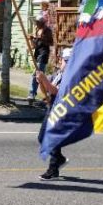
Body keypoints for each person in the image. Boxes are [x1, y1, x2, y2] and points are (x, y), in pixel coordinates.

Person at [36, 47, 72, 181]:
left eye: (69, 61)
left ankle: (53, 168)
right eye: (65, 61)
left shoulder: (71, 78)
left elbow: (57, 92)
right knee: (42, 138)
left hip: (61, 110)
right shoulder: (58, 74)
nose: (66, 64)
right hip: (51, 108)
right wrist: (41, 81)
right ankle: (59, 159)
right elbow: (47, 90)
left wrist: (44, 80)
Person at [28, 15, 53, 104]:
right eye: (36, 22)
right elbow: (34, 45)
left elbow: (51, 42)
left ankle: (32, 93)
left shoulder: (47, 31)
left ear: (42, 23)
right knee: (40, 76)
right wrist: (31, 40)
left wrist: (40, 38)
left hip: (43, 54)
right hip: (37, 54)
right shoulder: (36, 30)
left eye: (38, 22)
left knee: (36, 74)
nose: (36, 24)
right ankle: (47, 94)